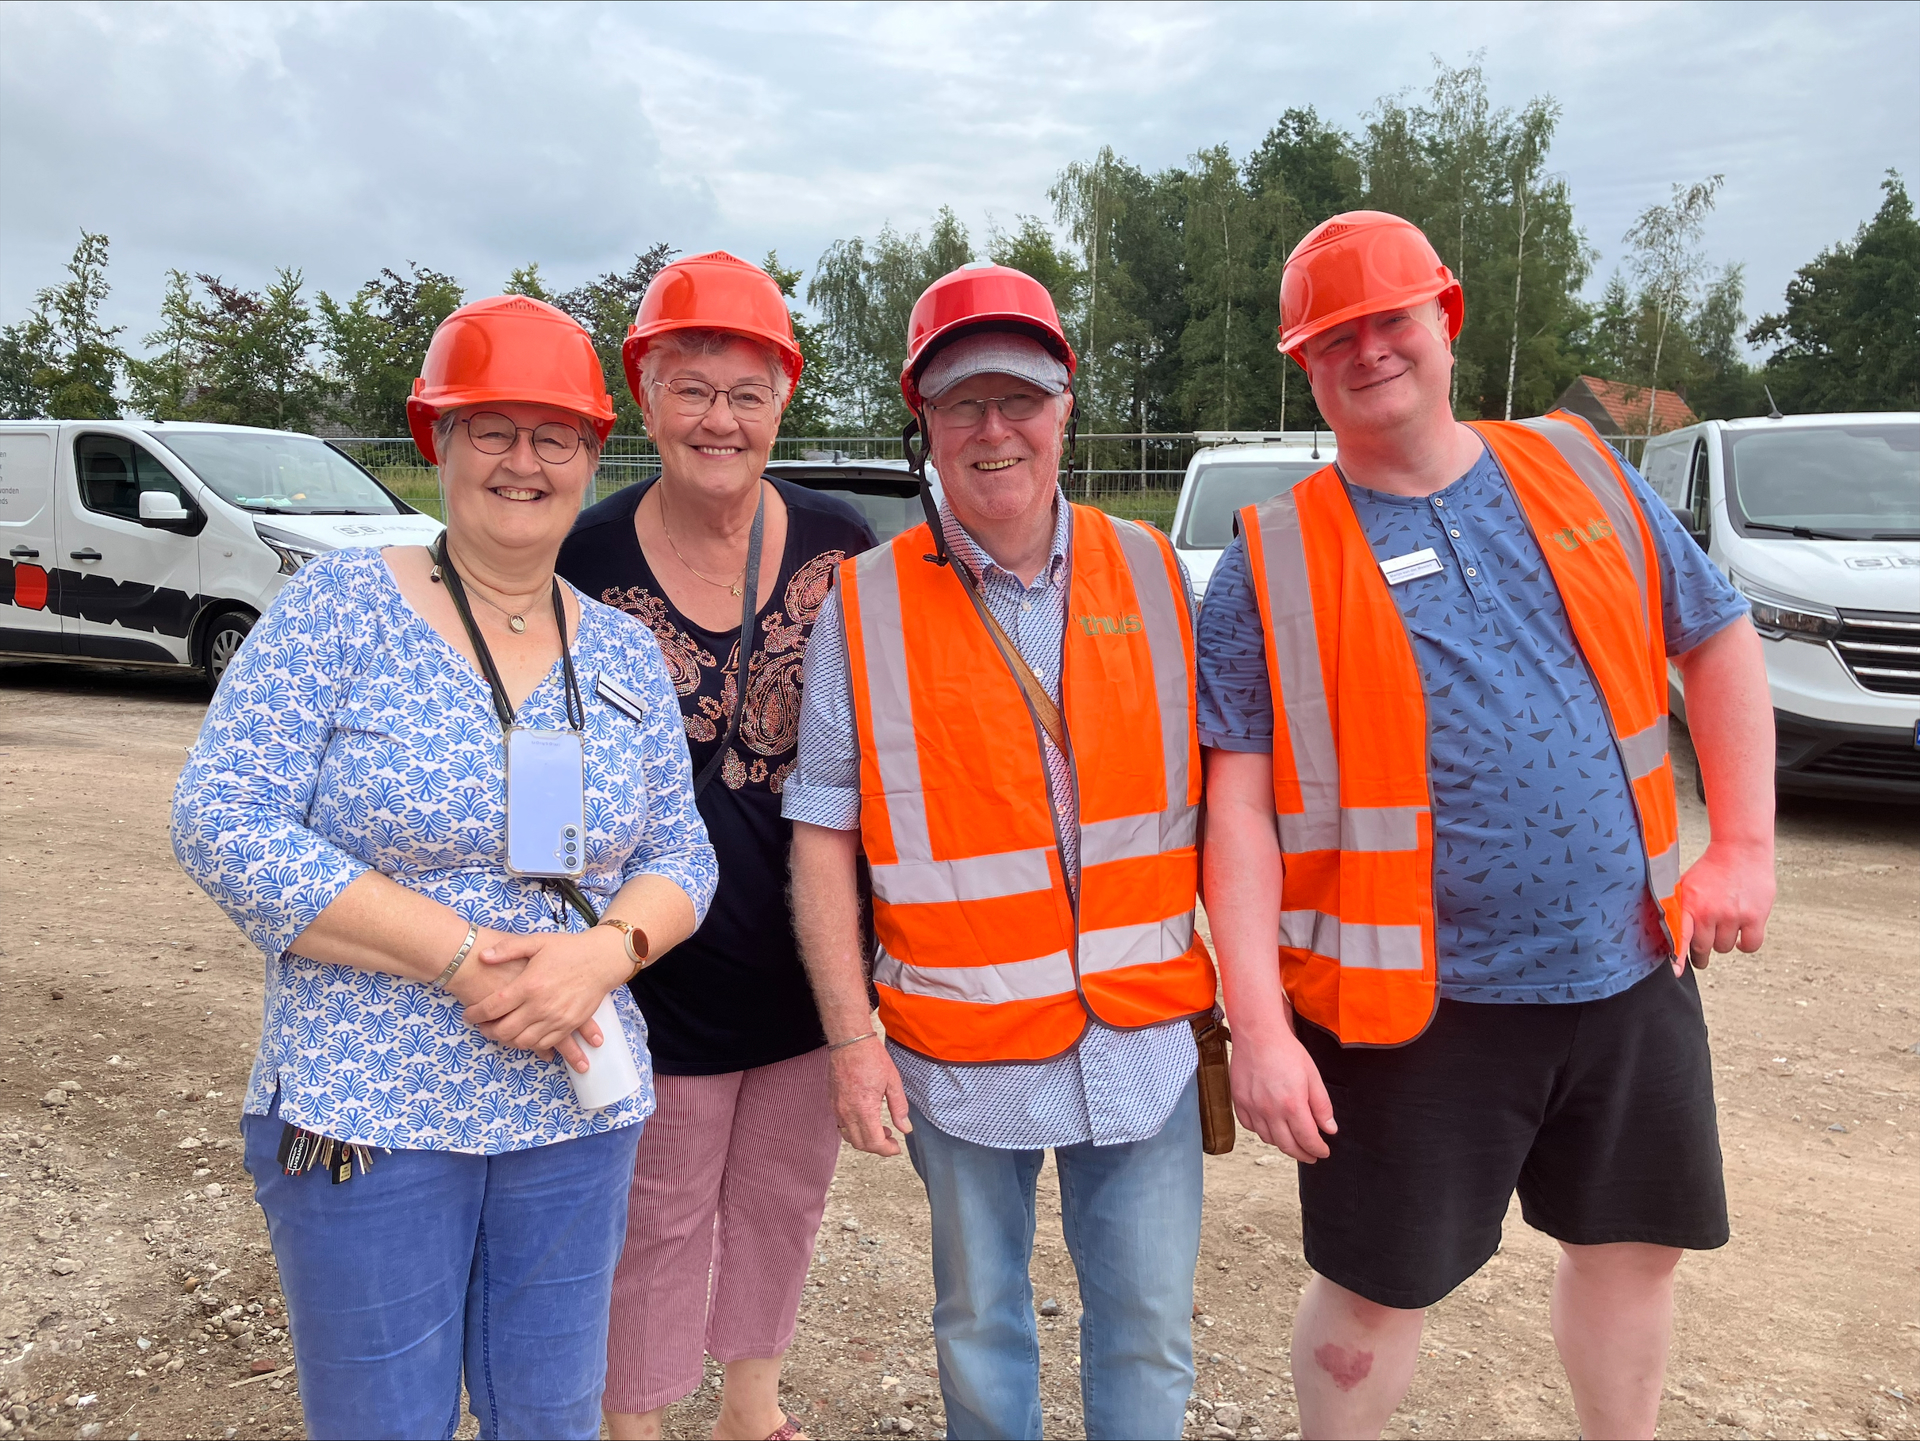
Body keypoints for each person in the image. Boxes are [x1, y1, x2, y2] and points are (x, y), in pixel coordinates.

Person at [1198, 211, 1776, 1441]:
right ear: (1305, 364)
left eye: (1390, 320)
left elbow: (1717, 635)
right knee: (1371, 1299)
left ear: (1445, 320)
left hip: (1626, 971)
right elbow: (1235, 807)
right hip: (1411, 1006)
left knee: (1632, 1253)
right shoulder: (1274, 555)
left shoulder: (1580, 467)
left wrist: (1744, 846)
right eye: (1333, 337)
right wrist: (1258, 1028)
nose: (1368, 352)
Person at [172, 294, 717, 1441]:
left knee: (553, 1417)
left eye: (553, 435)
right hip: (368, 1108)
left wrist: (604, 954)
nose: (523, 461)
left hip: (571, 1107)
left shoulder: (619, 650)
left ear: (588, 454)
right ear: (440, 441)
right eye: (491, 429)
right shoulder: (338, 612)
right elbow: (223, 818)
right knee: (382, 1419)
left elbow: (683, 849)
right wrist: (461, 957)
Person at [786, 261, 1218, 1441]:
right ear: (923, 421)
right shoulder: (862, 607)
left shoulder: (1158, 577)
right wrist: (847, 1043)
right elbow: (823, 837)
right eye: (961, 403)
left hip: (1139, 1041)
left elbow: (1228, 802)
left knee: (1147, 1332)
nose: (993, 429)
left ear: (1065, 408)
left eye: (1018, 398)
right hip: (959, 1053)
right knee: (980, 1330)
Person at [557, 251, 877, 1441]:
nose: (719, 419)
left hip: (806, 960)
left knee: (784, 1201)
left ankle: (753, 1406)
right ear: (644, 395)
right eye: (691, 387)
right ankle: (634, 1420)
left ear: (784, 398)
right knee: (659, 1212)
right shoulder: (584, 557)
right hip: (652, 969)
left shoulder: (841, 547)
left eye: (747, 392)